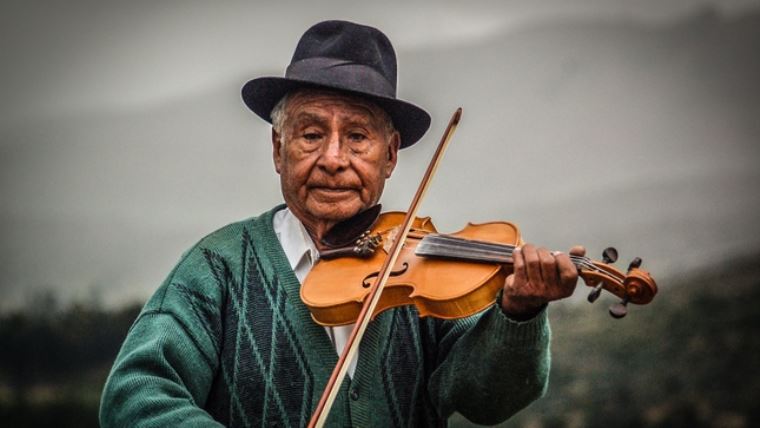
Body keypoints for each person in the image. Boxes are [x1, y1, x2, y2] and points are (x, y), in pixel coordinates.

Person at [100, 20, 584, 427]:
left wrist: (517, 313)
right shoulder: (217, 267)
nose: (333, 159)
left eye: (357, 137)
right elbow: (134, 395)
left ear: (390, 155)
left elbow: (489, 399)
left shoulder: (428, 279)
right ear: (277, 149)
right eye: (311, 134)